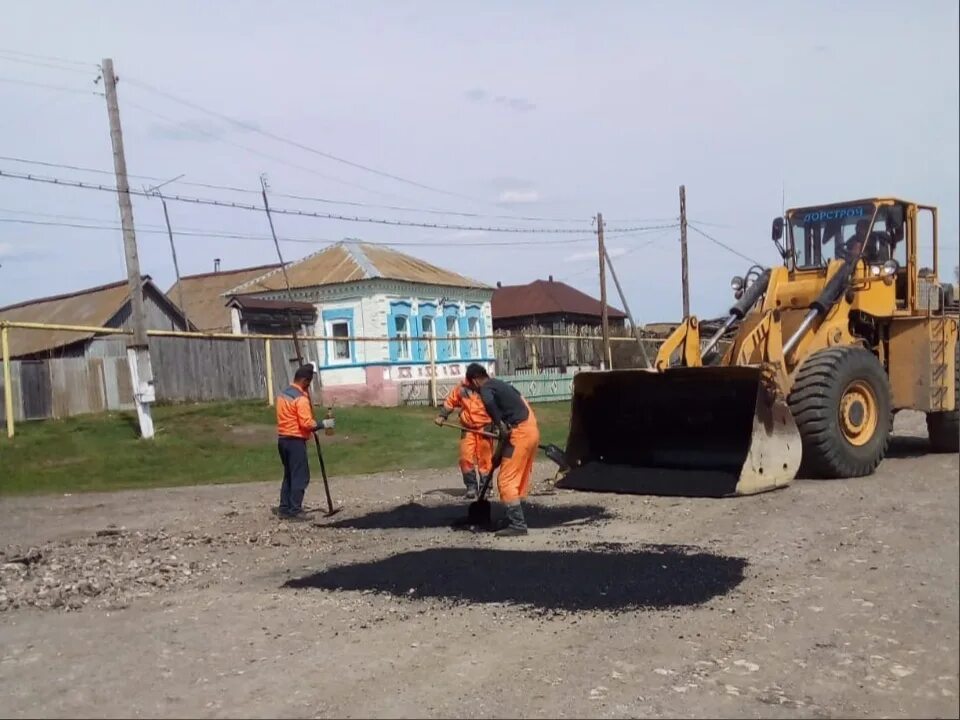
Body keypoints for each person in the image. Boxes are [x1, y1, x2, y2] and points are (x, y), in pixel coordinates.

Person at [464, 363, 540, 537]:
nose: (473, 391)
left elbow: (499, 420)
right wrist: (498, 456)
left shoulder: (486, 389)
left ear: (475, 380)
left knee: (506, 480)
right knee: (517, 479)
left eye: (471, 386)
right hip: (531, 430)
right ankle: (511, 518)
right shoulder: (501, 385)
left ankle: (517, 524)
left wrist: (498, 423)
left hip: (519, 434)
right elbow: (507, 432)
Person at [434, 379, 494, 499]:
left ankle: (485, 489)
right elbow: (451, 401)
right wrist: (442, 415)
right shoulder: (461, 388)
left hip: (485, 428)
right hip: (468, 428)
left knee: (485, 460)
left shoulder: (489, 389)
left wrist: (500, 425)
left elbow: (499, 407)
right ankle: (471, 487)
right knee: (465, 458)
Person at [275, 364, 319, 520]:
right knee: (300, 476)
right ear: (305, 380)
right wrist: (321, 425)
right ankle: (295, 510)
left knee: (289, 475)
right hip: (295, 440)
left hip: (283, 439)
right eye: (309, 382)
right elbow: (306, 423)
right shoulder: (300, 399)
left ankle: (284, 508)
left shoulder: (283, 395)